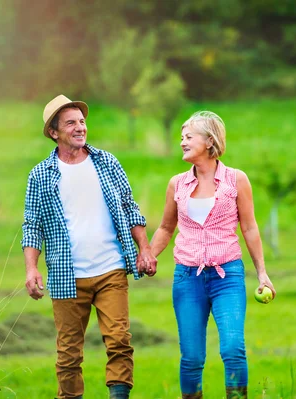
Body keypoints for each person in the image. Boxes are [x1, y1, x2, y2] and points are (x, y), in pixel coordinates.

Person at [21, 94, 157, 399]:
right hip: (67, 276)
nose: (80, 127)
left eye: (82, 121)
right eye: (71, 123)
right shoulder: (40, 175)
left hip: (111, 268)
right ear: (54, 132)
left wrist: (145, 249)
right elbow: (32, 226)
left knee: (119, 341)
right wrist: (31, 269)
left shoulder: (107, 162)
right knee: (68, 355)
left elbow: (130, 208)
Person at [150, 111, 276, 399]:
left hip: (227, 276)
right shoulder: (176, 184)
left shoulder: (236, 180)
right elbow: (167, 228)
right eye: (181, 137)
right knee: (192, 358)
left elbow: (250, 227)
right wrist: (150, 255)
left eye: (188, 137)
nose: (182, 142)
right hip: (187, 278)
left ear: (209, 141)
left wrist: (262, 273)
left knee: (233, 349)